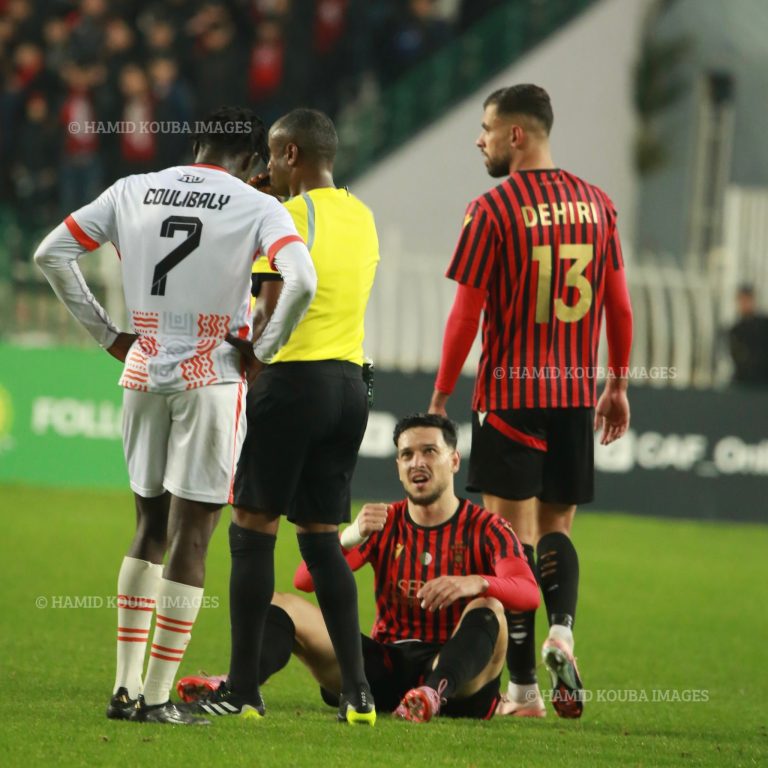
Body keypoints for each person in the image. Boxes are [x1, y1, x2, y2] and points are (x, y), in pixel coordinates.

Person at [34, 106, 317, 725]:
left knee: (148, 527)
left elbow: (51, 254)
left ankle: (124, 688)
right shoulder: (257, 205)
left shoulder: (132, 189)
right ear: (251, 158)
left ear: (195, 144)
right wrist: (264, 351)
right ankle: (159, 698)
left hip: (143, 367)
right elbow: (302, 281)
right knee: (193, 535)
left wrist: (109, 335)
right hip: (211, 374)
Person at [428, 85, 633, 719]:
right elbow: (619, 307)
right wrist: (617, 385)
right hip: (573, 396)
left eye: (487, 128)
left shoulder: (491, 209)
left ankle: (522, 691)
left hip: (510, 398)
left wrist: (441, 395)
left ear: (516, 135)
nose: (480, 139)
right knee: (556, 530)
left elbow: (466, 316)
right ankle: (562, 631)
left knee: (509, 545)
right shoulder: (598, 205)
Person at [177, 413, 540, 723]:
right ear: (398, 467)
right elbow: (305, 580)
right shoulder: (384, 521)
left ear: (454, 461)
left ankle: (432, 693)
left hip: (461, 684)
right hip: (385, 669)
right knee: (283, 604)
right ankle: (238, 683)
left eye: (430, 451)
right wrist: (351, 536)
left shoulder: (488, 527)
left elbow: (528, 593)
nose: (417, 462)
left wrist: (476, 582)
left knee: (491, 606)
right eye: (407, 454)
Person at [210, 108, 381, 724]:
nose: (268, 169)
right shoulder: (362, 215)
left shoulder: (287, 218)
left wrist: (253, 352)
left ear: (289, 155)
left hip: (292, 383)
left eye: (273, 156)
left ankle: (242, 690)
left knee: (252, 528)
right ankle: (359, 695)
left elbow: (268, 305)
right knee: (321, 539)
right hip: (349, 387)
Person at [728, 284, 768, 387]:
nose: (744, 304)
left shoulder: (763, 325)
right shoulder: (736, 330)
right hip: (744, 382)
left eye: (747, 300)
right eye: (742, 300)